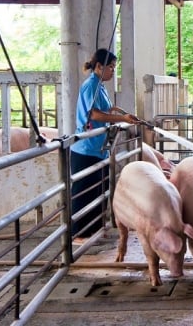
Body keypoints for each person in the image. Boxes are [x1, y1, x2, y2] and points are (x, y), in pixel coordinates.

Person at [70, 48, 140, 244]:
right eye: (110, 67)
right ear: (99, 66)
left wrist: (116, 111)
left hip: (98, 149)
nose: (112, 71)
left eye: (114, 67)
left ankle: (93, 230)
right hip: (86, 149)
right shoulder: (90, 86)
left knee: (97, 191)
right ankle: (79, 234)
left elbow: (103, 109)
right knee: (84, 193)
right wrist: (121, 118)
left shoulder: (99, 86)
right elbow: (93, 115)